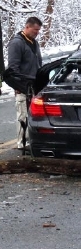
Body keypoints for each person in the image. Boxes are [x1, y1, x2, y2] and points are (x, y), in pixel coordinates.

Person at [7, 16, 43, 151]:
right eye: (35, 30)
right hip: (22, 87)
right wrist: (18, 86)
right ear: (27, 27)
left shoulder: (34, 43)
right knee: (23, 115)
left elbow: (39, 64)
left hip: (34, 86)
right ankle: (22, 144)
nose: (37, 33)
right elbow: (13, 68)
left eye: (38, 30)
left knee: (33, 115)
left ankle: (31, 141)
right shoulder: (17, 43)